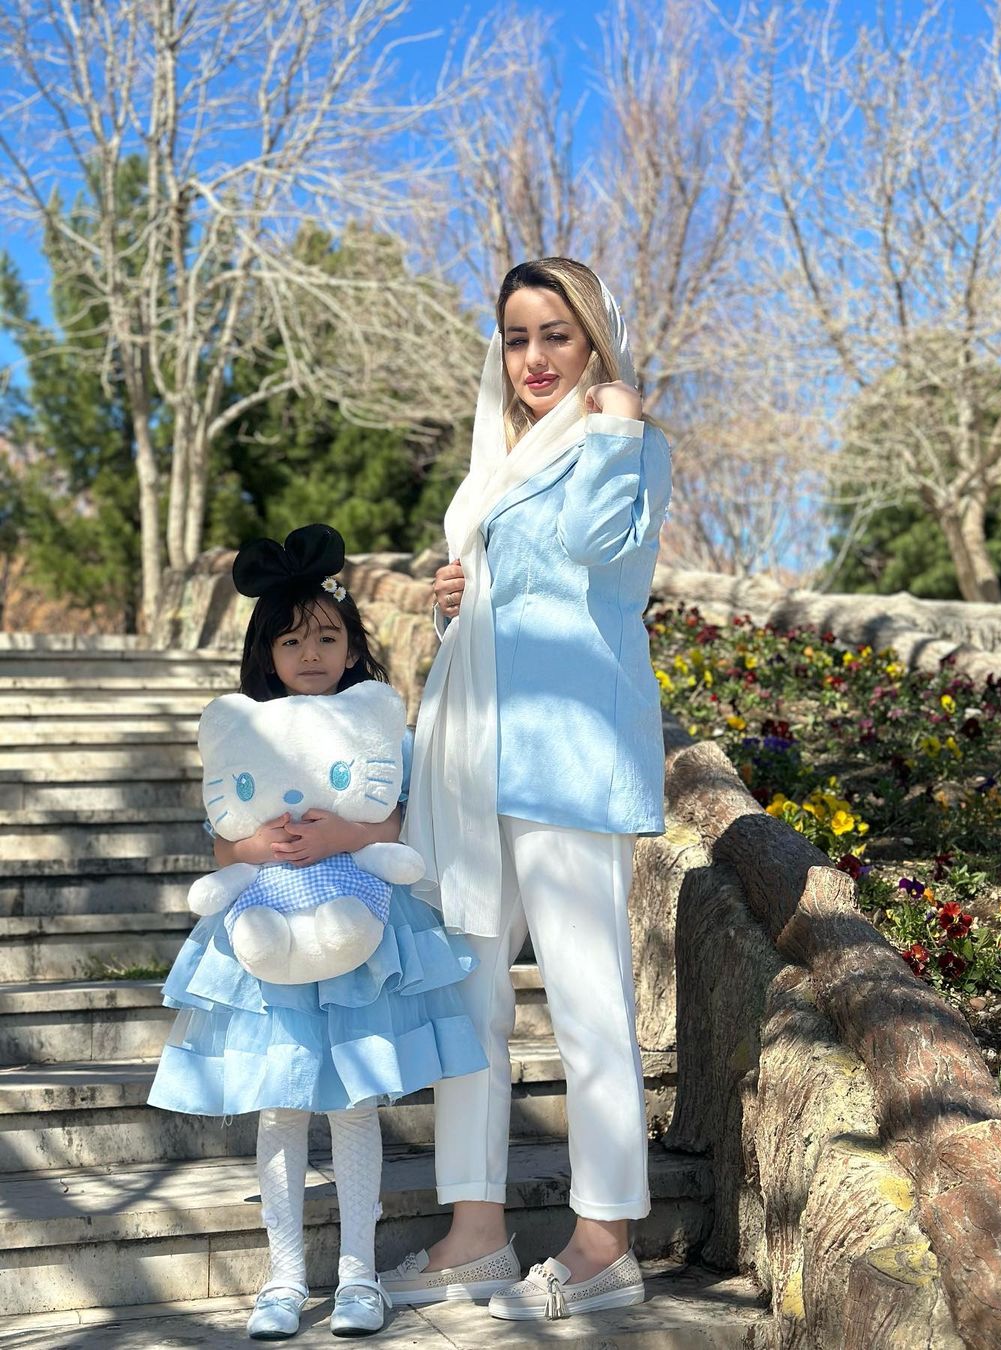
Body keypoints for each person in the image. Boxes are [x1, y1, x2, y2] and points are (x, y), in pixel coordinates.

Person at [385, 259, 671, 1322]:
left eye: (558, 334)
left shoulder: (630, 445)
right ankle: (476, 1234)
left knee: (589, 1004)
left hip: (570, 760)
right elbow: (518, 594)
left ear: (594, 339)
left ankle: (605, 1245)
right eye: (517, 337)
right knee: (468, 1000)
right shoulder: (499, 461)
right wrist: (456, 594)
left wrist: (614, 426)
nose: (536, 358)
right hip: (477, 763)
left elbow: (597, 551)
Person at [148, 523, 487, 1340]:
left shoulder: (377, 729)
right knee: (281, 1109)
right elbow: (224, 840)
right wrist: (255, 848)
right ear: (267, 654)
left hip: (358, 934)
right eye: (292, 640)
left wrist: (344, 836)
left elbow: (401, 821)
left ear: (353, 648)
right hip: (265, 933)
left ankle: (359, 1275)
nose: (311, 653)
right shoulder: (247, 733)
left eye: (328, 637)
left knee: (356, 1107)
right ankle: (283, 1277)